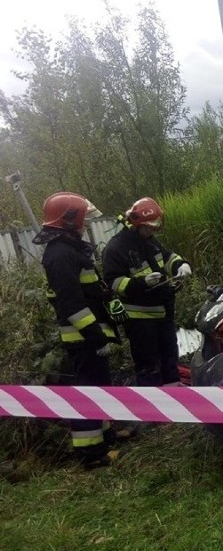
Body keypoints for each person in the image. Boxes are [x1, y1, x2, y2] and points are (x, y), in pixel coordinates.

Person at [33, 192, 126, 468]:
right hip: (83, 337)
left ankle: (105, 435)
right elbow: (71, 304)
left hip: (90, 334)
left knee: (99, 387)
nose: (86, 224)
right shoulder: (60, 255)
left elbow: (87, 292)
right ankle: (91, 453)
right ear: (70, 220)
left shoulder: (69, 249)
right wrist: (95, 335)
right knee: (87, 392)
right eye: (83, 219)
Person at [103, 197, 191, 387]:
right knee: (148, 367)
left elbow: (168, 257)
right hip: (140, 321)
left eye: (154, 227)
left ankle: (175, 404)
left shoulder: (149, 241)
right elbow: (113, 283)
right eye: (149, 227)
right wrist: (142, 283)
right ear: (136, 224)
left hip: (162, 313)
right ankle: (153, 411)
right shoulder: (116, 248)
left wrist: (181, 265)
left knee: (170, 358)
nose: (152, 231)